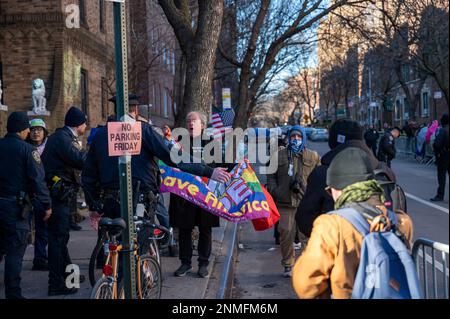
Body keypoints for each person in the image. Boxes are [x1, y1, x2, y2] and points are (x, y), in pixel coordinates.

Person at [82, 98, 230, 272]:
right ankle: (137, 279)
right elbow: (175, 158)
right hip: (141, 200)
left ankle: (116, 279)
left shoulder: (100, 135)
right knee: (138, 246)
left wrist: (93, 206)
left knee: (117, 242)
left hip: (111, 201)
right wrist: (209, 171)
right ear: (135, 111)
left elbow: (88, 175)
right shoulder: (143, 131)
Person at [292, 147, 413, 299]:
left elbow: (305, 285)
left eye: (331, 191)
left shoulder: (331, 225)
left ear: (338, 189)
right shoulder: (401, 221)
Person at [296, 119, 395, 238]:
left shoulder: (323, 173)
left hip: (338, 247)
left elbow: (305, 219)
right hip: (377, 246)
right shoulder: (384, 170)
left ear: (335, 141)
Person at [169, 111, 233, 278]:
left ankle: (203, 264)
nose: (190, 123)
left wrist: (238, 165)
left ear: (203, 125)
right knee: (184, 229)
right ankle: (185, 263)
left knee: (205, 229)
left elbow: (223, 164)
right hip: (184, 195)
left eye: (194, 121)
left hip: (206, 194)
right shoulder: (179, 143)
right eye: (188, 120)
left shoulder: (213, 144)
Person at [0, 112, 52, 299]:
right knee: (15, 251)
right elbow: (38, 181)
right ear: (23, 130)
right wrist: (46, 204)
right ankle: (13, 294)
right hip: (16, 209)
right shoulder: (27, 150)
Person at [42, 106, 88, 296]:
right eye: (84, 122)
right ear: (79, 124)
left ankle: (69, 274)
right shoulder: (63, 139)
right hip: (57, 197)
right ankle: (56, 284)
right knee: (57, 240)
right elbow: (79, 160)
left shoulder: (62, 137)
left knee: (61, 238)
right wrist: (93, 153)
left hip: (59, 196)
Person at [266, 125, 320, 277]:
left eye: (299, 137)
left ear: (303, 138)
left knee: (307, 237)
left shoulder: (313, 156)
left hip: (306, 203)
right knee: (285, 234)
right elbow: (270, 176)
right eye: (293, 137)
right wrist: (275, 191)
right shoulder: (278, 156)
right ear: (288, 138)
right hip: (285, 203)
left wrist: (316, 195)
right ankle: (288, 265)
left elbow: (320, 176)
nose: (296, 140)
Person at [26, 118, 50, 271]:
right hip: (27, 195)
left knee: (42, 229)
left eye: (39, 130)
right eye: (33, 130)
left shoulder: (49, 148)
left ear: (44, 132)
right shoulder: (25, 148)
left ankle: (40, 258)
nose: (36, 132)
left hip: (42, 194)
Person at [431, 114, 449, 202]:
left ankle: (440, 195)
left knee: (441, 176)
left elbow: (437, 144)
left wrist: (435, 148)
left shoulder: (443, 131)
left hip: (444, 156)